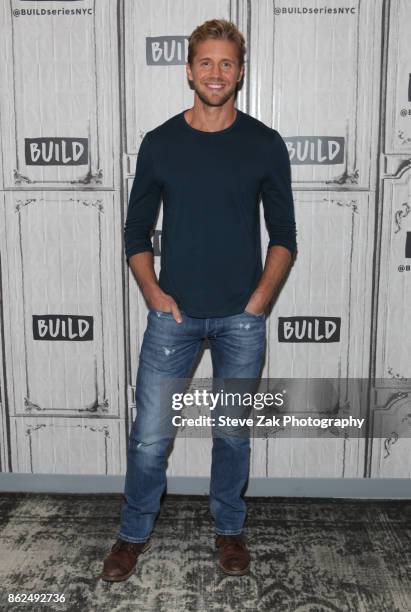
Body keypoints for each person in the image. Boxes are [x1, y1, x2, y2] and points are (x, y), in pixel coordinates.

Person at [101, 18, 297, 582]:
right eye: (206, 62)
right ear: (189, 70)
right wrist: (156, 295)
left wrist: (257, 303)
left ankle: (229, 530)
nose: (216, 72)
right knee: (150, 439)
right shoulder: (160, 143)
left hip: (241, 319)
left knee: (233, 435)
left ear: (240, 71)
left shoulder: (263, 143)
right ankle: (132, 534)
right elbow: (136, 233)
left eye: (227, 63)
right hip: (174, 318)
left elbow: (284, 235)